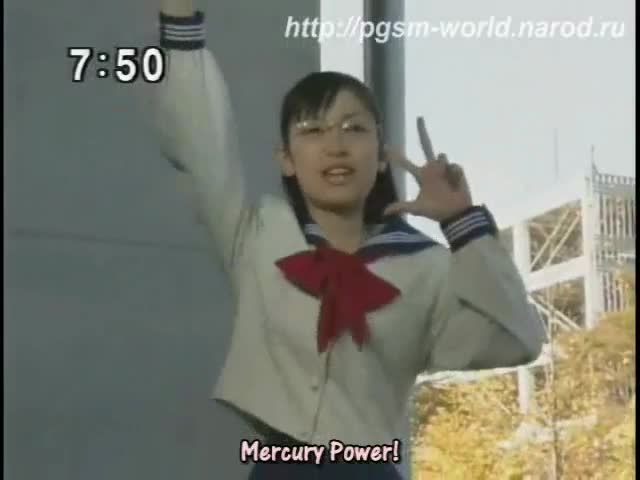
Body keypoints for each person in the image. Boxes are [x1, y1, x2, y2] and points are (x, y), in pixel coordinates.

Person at [155, 2, 545, 479]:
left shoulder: (427, 266)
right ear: (286, 159)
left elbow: (518, 341)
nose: (336, 145)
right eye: (313, 130)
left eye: (354, 129)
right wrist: (180, 24)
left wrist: (463, 223)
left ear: (380, 157)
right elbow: (201, 140)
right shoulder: (257, 234)